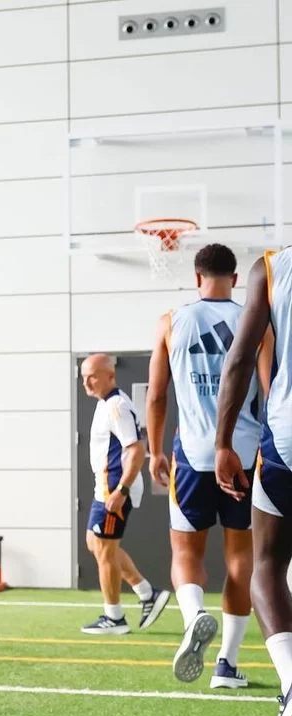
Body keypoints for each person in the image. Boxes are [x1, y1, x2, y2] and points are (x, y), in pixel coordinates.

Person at [147, 244, 268, 686]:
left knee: (185, 552)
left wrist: (156, 450)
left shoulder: (170, 322)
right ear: (235, 279)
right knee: (241, 560)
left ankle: (195, 614)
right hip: (246, 453)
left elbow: (157, 395)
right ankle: (227, 665)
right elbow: (272, 390)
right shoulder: (255, 321)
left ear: (197, 278)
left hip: (192, 455)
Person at [215, 246, 292, 716]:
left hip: (286, 439)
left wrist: (223, 442)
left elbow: (241, 356)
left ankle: (291, 680)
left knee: (266, 562)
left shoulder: (272, 263)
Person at [80, 354, 170, 636]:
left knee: (105, 550)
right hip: (104, 487)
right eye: (83, 376)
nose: (87, 381)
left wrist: (122, 490)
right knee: (95, 543)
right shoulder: (105, 404)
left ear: (110, 375)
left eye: (92, 375)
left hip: (115, 487)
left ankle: (114, 617)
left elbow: (134, 449)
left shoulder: (117, 405)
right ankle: (147, 593)